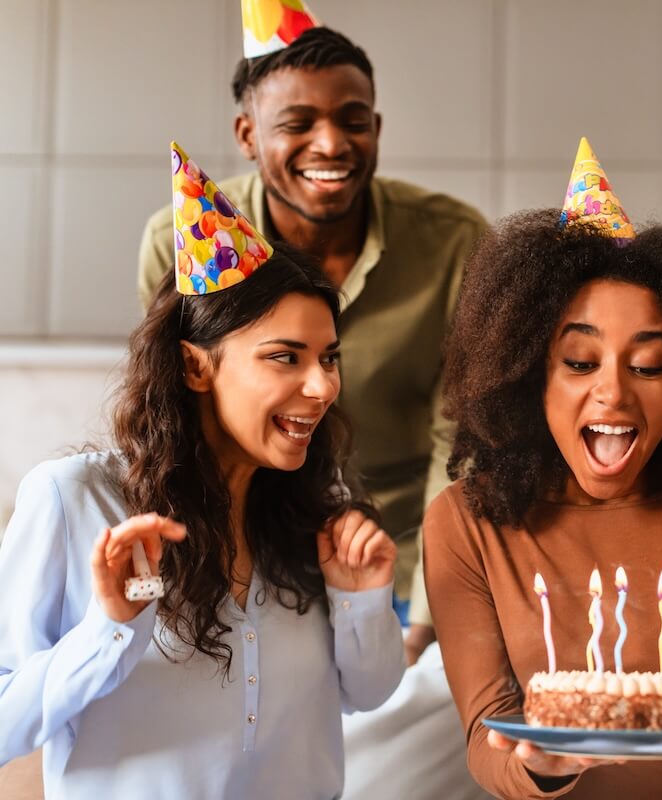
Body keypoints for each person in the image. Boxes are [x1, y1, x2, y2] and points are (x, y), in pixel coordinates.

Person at [0, 145, 405, 798]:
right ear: (195, 366)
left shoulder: (317, 509)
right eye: (285, 357)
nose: (321, 386)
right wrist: (107, 630)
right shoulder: (75, 500)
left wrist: (361, 599)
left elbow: (369, 693)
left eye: (329, 358)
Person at [423, 141, 662, 799]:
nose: (614, 394)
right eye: (579, 362)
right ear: (527, 373)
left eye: (648, 366)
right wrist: (544, 763)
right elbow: (486, 736)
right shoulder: (464, 521)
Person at [136, 21, 487, 661]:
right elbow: (173, 417)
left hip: (403, 547)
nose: (331, 142)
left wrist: (426, 618)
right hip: (248, 544)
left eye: (353, 121)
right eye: (297, 123)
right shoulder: (180, 243)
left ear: (376, 130)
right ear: (247, 135)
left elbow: (460, 437)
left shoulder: (454, 242)